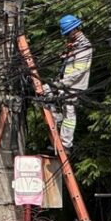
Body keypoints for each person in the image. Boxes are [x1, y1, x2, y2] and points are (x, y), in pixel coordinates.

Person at [48, 14, 92, 154]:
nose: (66, 36)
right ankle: (57, 117)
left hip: (74, 85)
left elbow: (78, 71)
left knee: (69, 112)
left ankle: (66, 144)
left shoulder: (84, 46)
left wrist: (61, 83)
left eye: (67, 33)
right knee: (43, 93)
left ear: (74, 30)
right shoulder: (75, 44)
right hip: (65, 83)